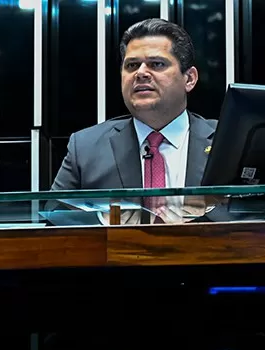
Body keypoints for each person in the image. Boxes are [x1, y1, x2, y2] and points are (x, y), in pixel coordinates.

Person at [51, 19, 216, 224]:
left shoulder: (227, 142)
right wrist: (104, 221)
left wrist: (199, 223)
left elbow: (251, 212)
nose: (141, 73)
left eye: (157, 64)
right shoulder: (86, 147)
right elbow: (53, 220)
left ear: (189, 78)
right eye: (132, 65)